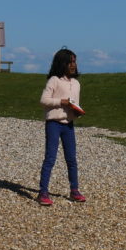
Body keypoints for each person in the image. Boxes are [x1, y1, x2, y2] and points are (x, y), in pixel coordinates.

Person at [37, 48, 86, 206]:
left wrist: (77, 111)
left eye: (74, 61)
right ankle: (43, 192)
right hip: (54, 123)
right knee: (50, 158)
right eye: (70, 62)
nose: (73, 65)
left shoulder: (76, 83)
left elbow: (75, 104)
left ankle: (74, 190)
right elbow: (44, 100)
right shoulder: (54, 80)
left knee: (71, 159)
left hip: (69, 125)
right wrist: (61, 102)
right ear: (62, 63)